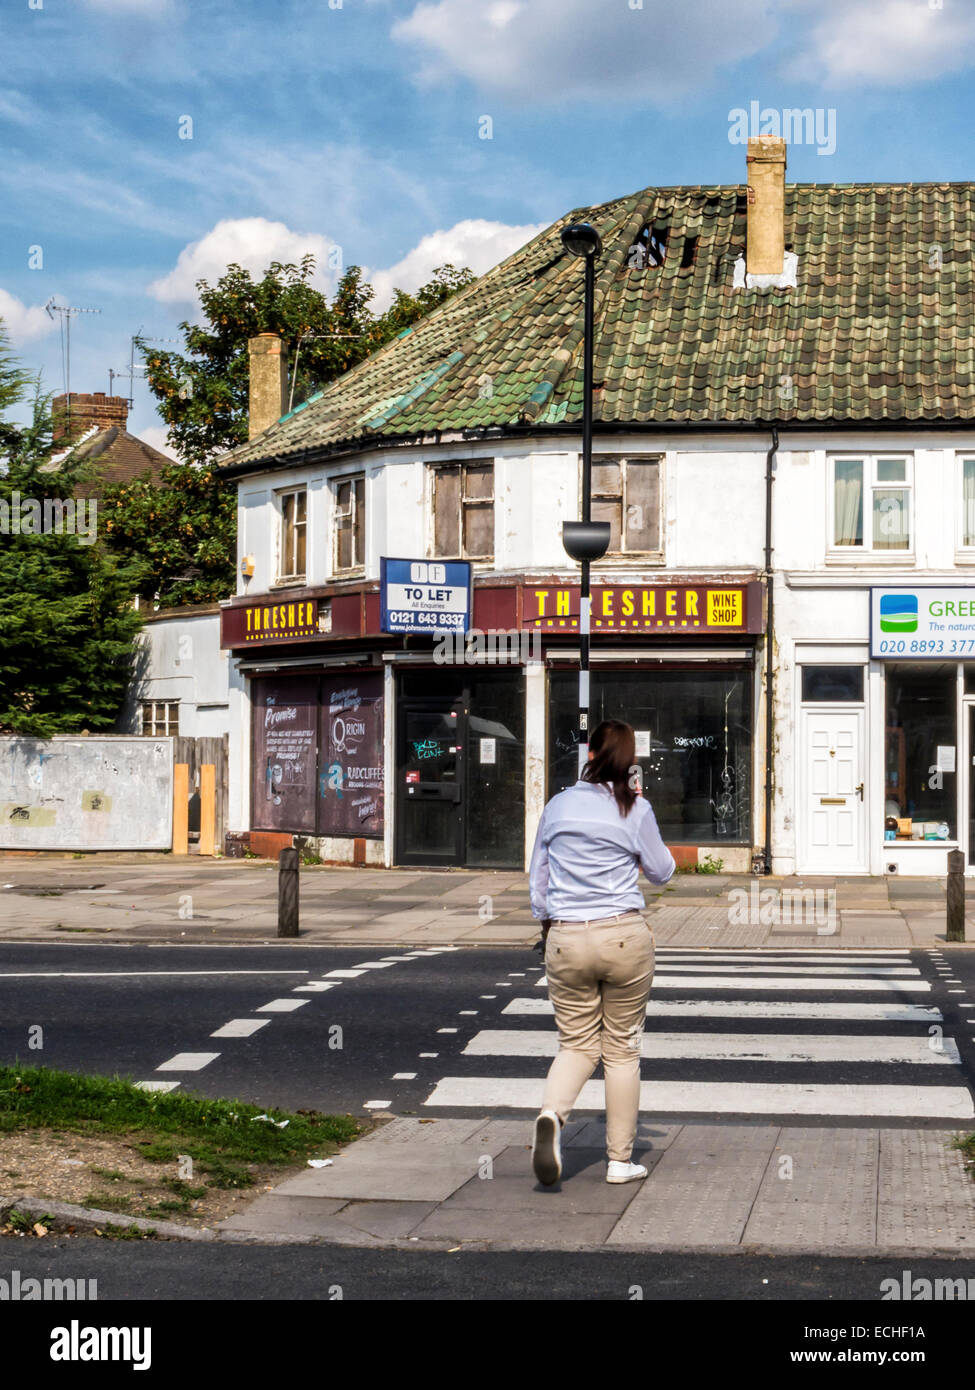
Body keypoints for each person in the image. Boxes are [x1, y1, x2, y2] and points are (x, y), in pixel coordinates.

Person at [528, 718, 675, 1186]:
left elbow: (538, 881)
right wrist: (638, 815)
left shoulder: (557, 806)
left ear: (589, 755)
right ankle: (619, 1161)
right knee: (622, 1049)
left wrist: (548, 923)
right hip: (622, 936)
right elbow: (662, 871)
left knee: (575, 1043)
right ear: (629, 763)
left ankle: (552, 1114)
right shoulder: (635, 808)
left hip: (566, 937)